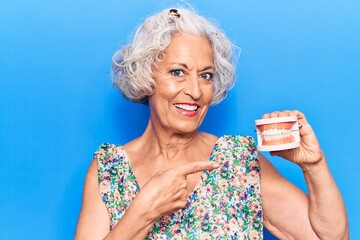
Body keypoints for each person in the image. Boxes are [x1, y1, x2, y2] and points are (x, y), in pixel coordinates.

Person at [75, 7, 349, 239]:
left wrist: (314, 166)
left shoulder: (237, 160)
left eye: (206, 75)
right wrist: (141, 213)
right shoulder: (110, 169)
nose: (195, 91)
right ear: (146, 76)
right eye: (177, 72)